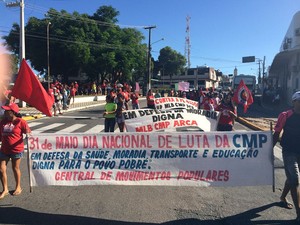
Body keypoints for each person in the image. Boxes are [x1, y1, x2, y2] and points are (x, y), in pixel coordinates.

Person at [273, 91, 300, 221]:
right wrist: (269, 149)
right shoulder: (285, 115)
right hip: (289, 151)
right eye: (299, 101)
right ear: (293, 102)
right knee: (295, 179)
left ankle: (283, 197)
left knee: (291, 177)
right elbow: (276, 133)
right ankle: (299, 213)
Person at [0, 103, 31, 199]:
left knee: (15, 168)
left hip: (16, 149)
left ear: (13, 112)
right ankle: (5, 189)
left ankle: (18, 187)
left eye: (7, 111)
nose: (4, 112)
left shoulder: (21, 122)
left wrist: (28, 135)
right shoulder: (2, 122)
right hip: (4, 149)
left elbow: (28, 132)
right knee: (1, 169)